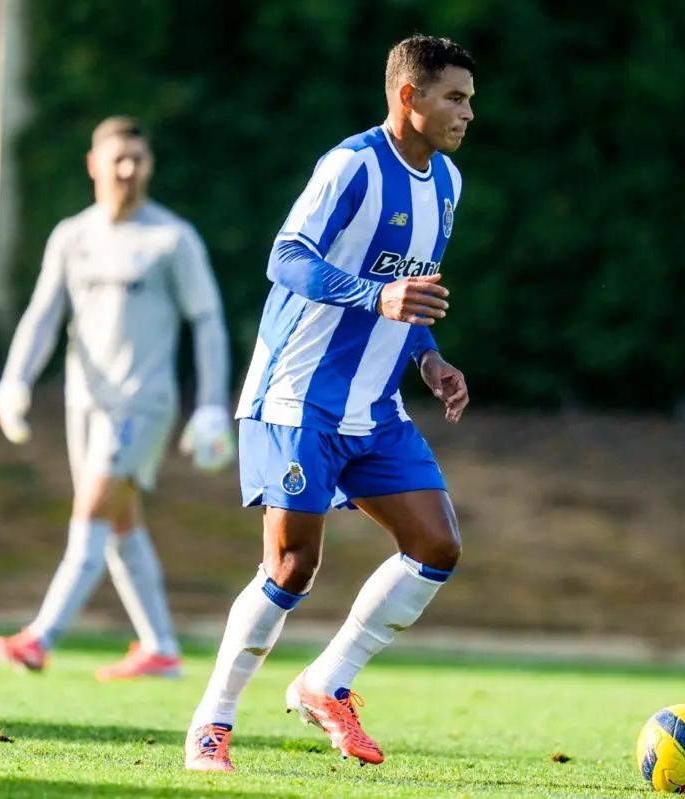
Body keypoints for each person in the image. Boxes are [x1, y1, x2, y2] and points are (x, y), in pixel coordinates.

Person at [184, 35, 475, 772]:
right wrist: (375, 294)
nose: (469, 112)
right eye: (455, 97)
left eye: (469, 99)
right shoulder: (352, 166)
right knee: (291, 567)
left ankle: (326, 682)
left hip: (375, 408)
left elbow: (405, 291)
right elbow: (286, 255)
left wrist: (430, 359)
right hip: (298, 397)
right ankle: (212, 722)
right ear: (407, 97)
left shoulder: (447, 184)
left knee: (437, 546)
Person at [0, 115, 235, 681]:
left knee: (91, 514)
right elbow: (44, 314)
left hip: (143, 403)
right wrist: (14, 380)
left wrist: (213, 402)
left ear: (149, 167)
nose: (127, 169)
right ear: (94, 164)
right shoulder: (72, 235)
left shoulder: (172, 238)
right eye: (117, 158)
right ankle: (161, 648)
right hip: (85, 406)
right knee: (121, 524)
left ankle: (40, 638)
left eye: (138, 160)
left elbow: (208, 322)